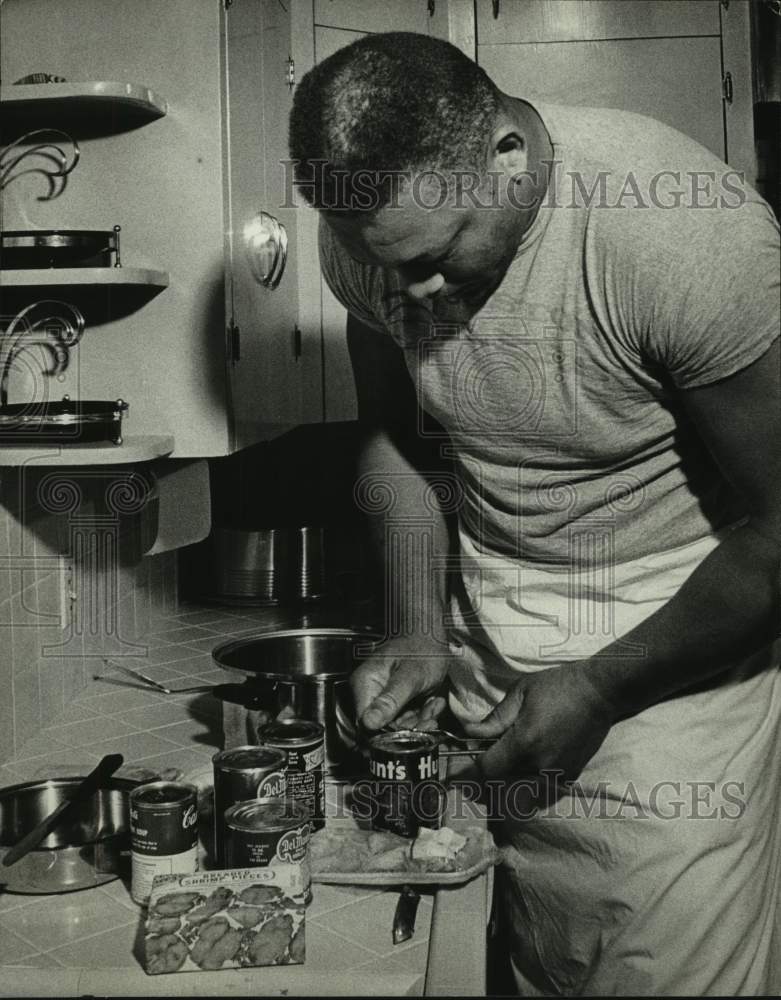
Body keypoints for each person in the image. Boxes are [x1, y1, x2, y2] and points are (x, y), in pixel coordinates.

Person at [288, 31, 781, 996]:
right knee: (525, 958)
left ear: (507, 153)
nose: (409, 296)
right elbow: (391, 445)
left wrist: (596, 688)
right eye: (380, 267)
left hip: (675, 637)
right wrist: (420, 627)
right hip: (491, 622)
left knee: (657, 966)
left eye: (435, 259)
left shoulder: (684, 233)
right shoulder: (375, 231)